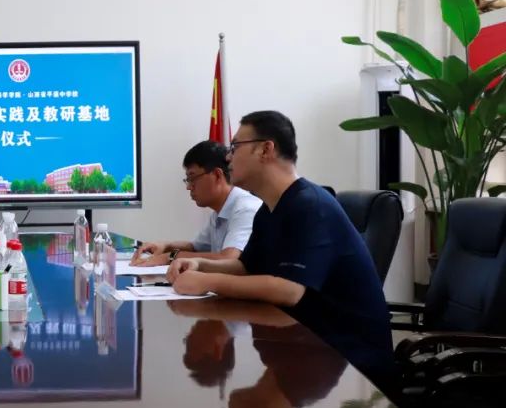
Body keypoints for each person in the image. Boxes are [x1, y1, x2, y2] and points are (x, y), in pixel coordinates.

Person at [166, 111, 394, 388]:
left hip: (349, 363)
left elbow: (289, 290)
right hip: (305, 345)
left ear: (266, 149)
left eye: (235, 147)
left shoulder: (310, 205)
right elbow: (246, 266)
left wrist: (207, 282)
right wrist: (201, 265)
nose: (227, 157)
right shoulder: (269, 209)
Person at [131, 141, 261, 266]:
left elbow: (228, 258)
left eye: (192, 178)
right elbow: (196, 247)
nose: (189, 187)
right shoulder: (219, 211)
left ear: (217, 175)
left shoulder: (245, 209)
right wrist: (165, 246)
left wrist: (171, 257)